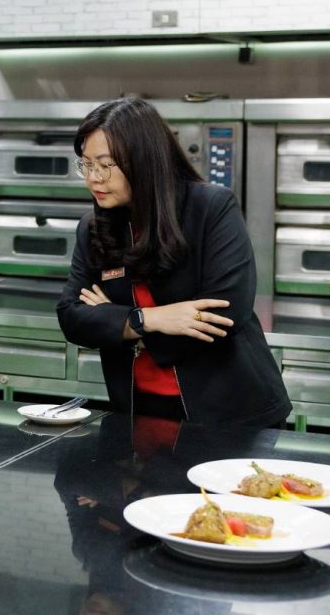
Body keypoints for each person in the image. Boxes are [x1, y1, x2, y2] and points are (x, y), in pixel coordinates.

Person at [56, 97, 290, 428]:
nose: (93, 178)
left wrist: (117, 323)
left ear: (144, 161)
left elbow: (224, 313)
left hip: (231, 415)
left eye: (106, 165)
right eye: (86, 164)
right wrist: (149, 319)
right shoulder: (93, 228)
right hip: (140, 411)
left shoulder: (211, 208)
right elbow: (72, 317)